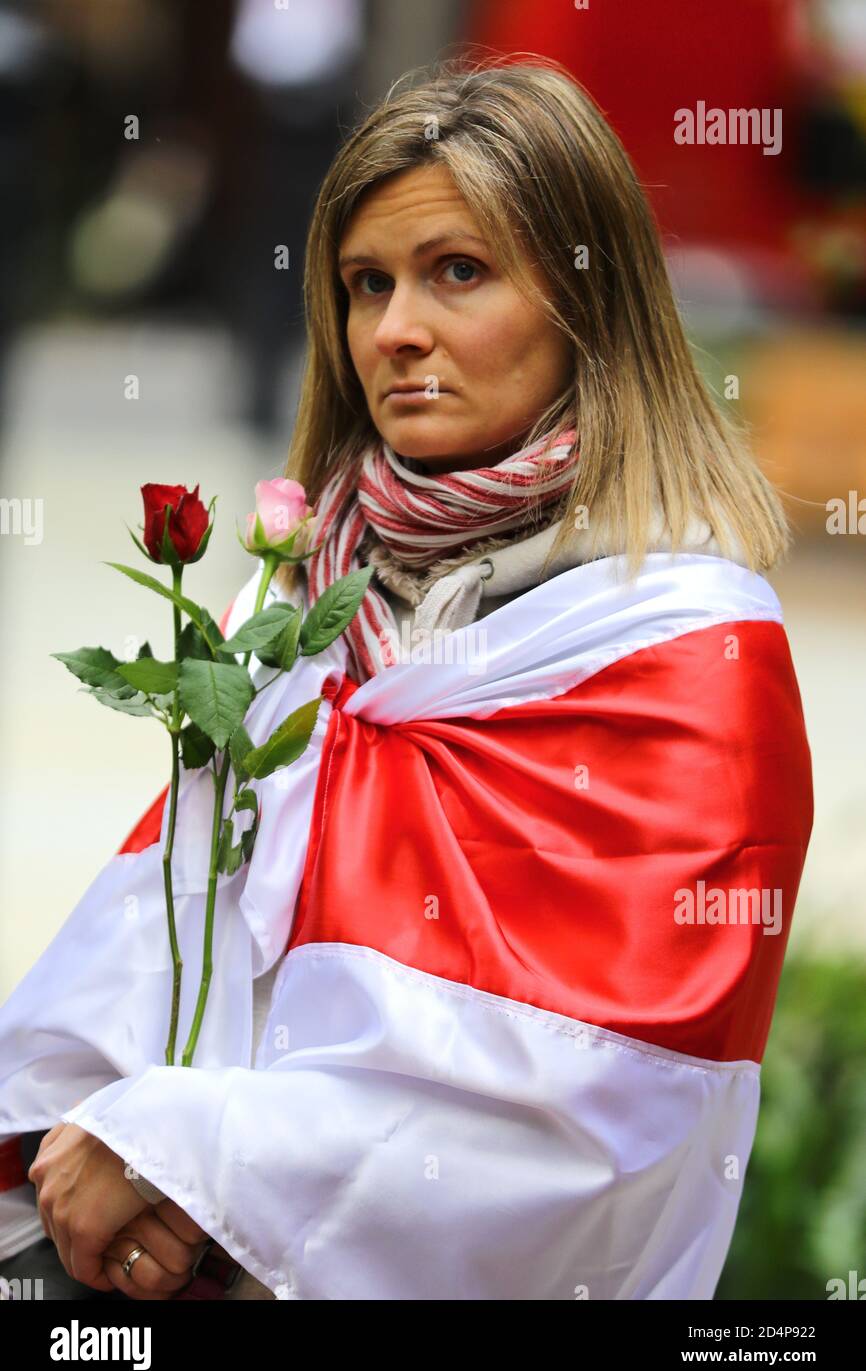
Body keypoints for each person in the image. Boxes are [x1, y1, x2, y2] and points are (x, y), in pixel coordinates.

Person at [0, 54, 812, 1301]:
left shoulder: (688, 652)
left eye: (458, 273)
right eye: (364, 284)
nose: (394, 331)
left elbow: (592, 1121)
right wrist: (105, 1147)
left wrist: (190, 1154)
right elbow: (165, 936)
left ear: (589, 298)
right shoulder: (296, 597)